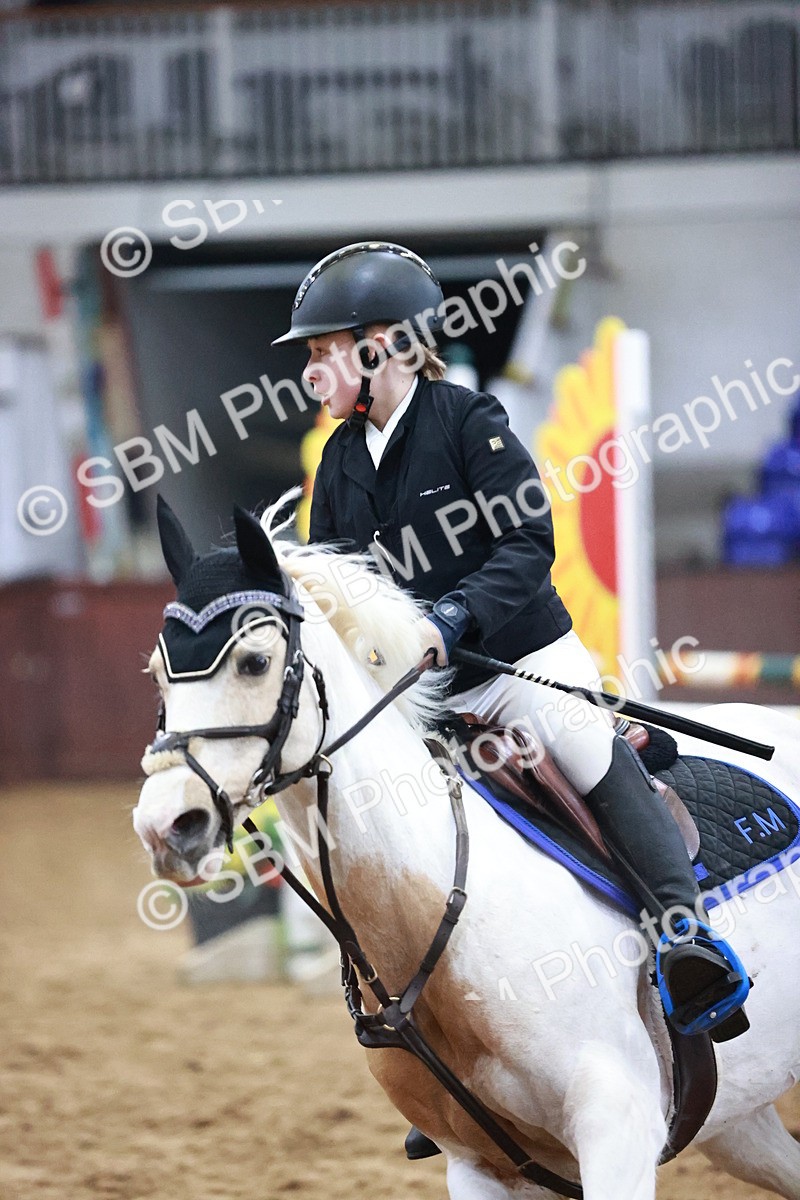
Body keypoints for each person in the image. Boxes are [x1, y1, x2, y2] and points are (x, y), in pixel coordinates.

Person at [272, 241, 749, 1155]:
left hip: (524, 667)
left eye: (320, 349)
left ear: (380, 348)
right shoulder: (335, 464)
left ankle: (685, 942)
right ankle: (454, 1054)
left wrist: (452, 618)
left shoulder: (469, 421)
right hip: (424, 699)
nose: (308, 369)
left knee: (591, 761)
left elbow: (529, 541)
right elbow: (333, 598)